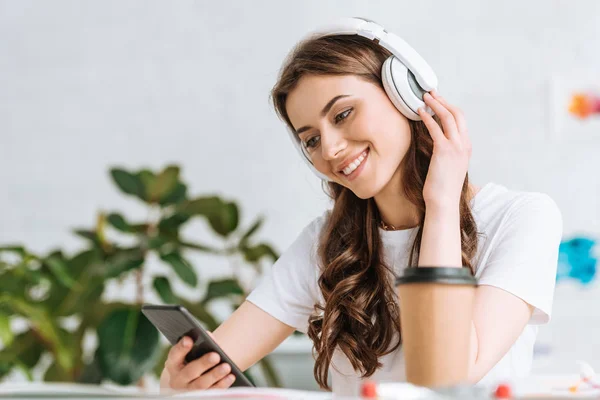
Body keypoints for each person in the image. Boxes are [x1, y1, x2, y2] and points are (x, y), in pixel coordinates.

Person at [160, 18, 563, 396]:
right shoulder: (327, 242)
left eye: (343, 113)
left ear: (405, 96)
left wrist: (439, 204)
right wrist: (179, 383)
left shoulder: (523, 218)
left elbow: (445, 380)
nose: (330, 149)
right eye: (311, 140)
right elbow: (217, 360)